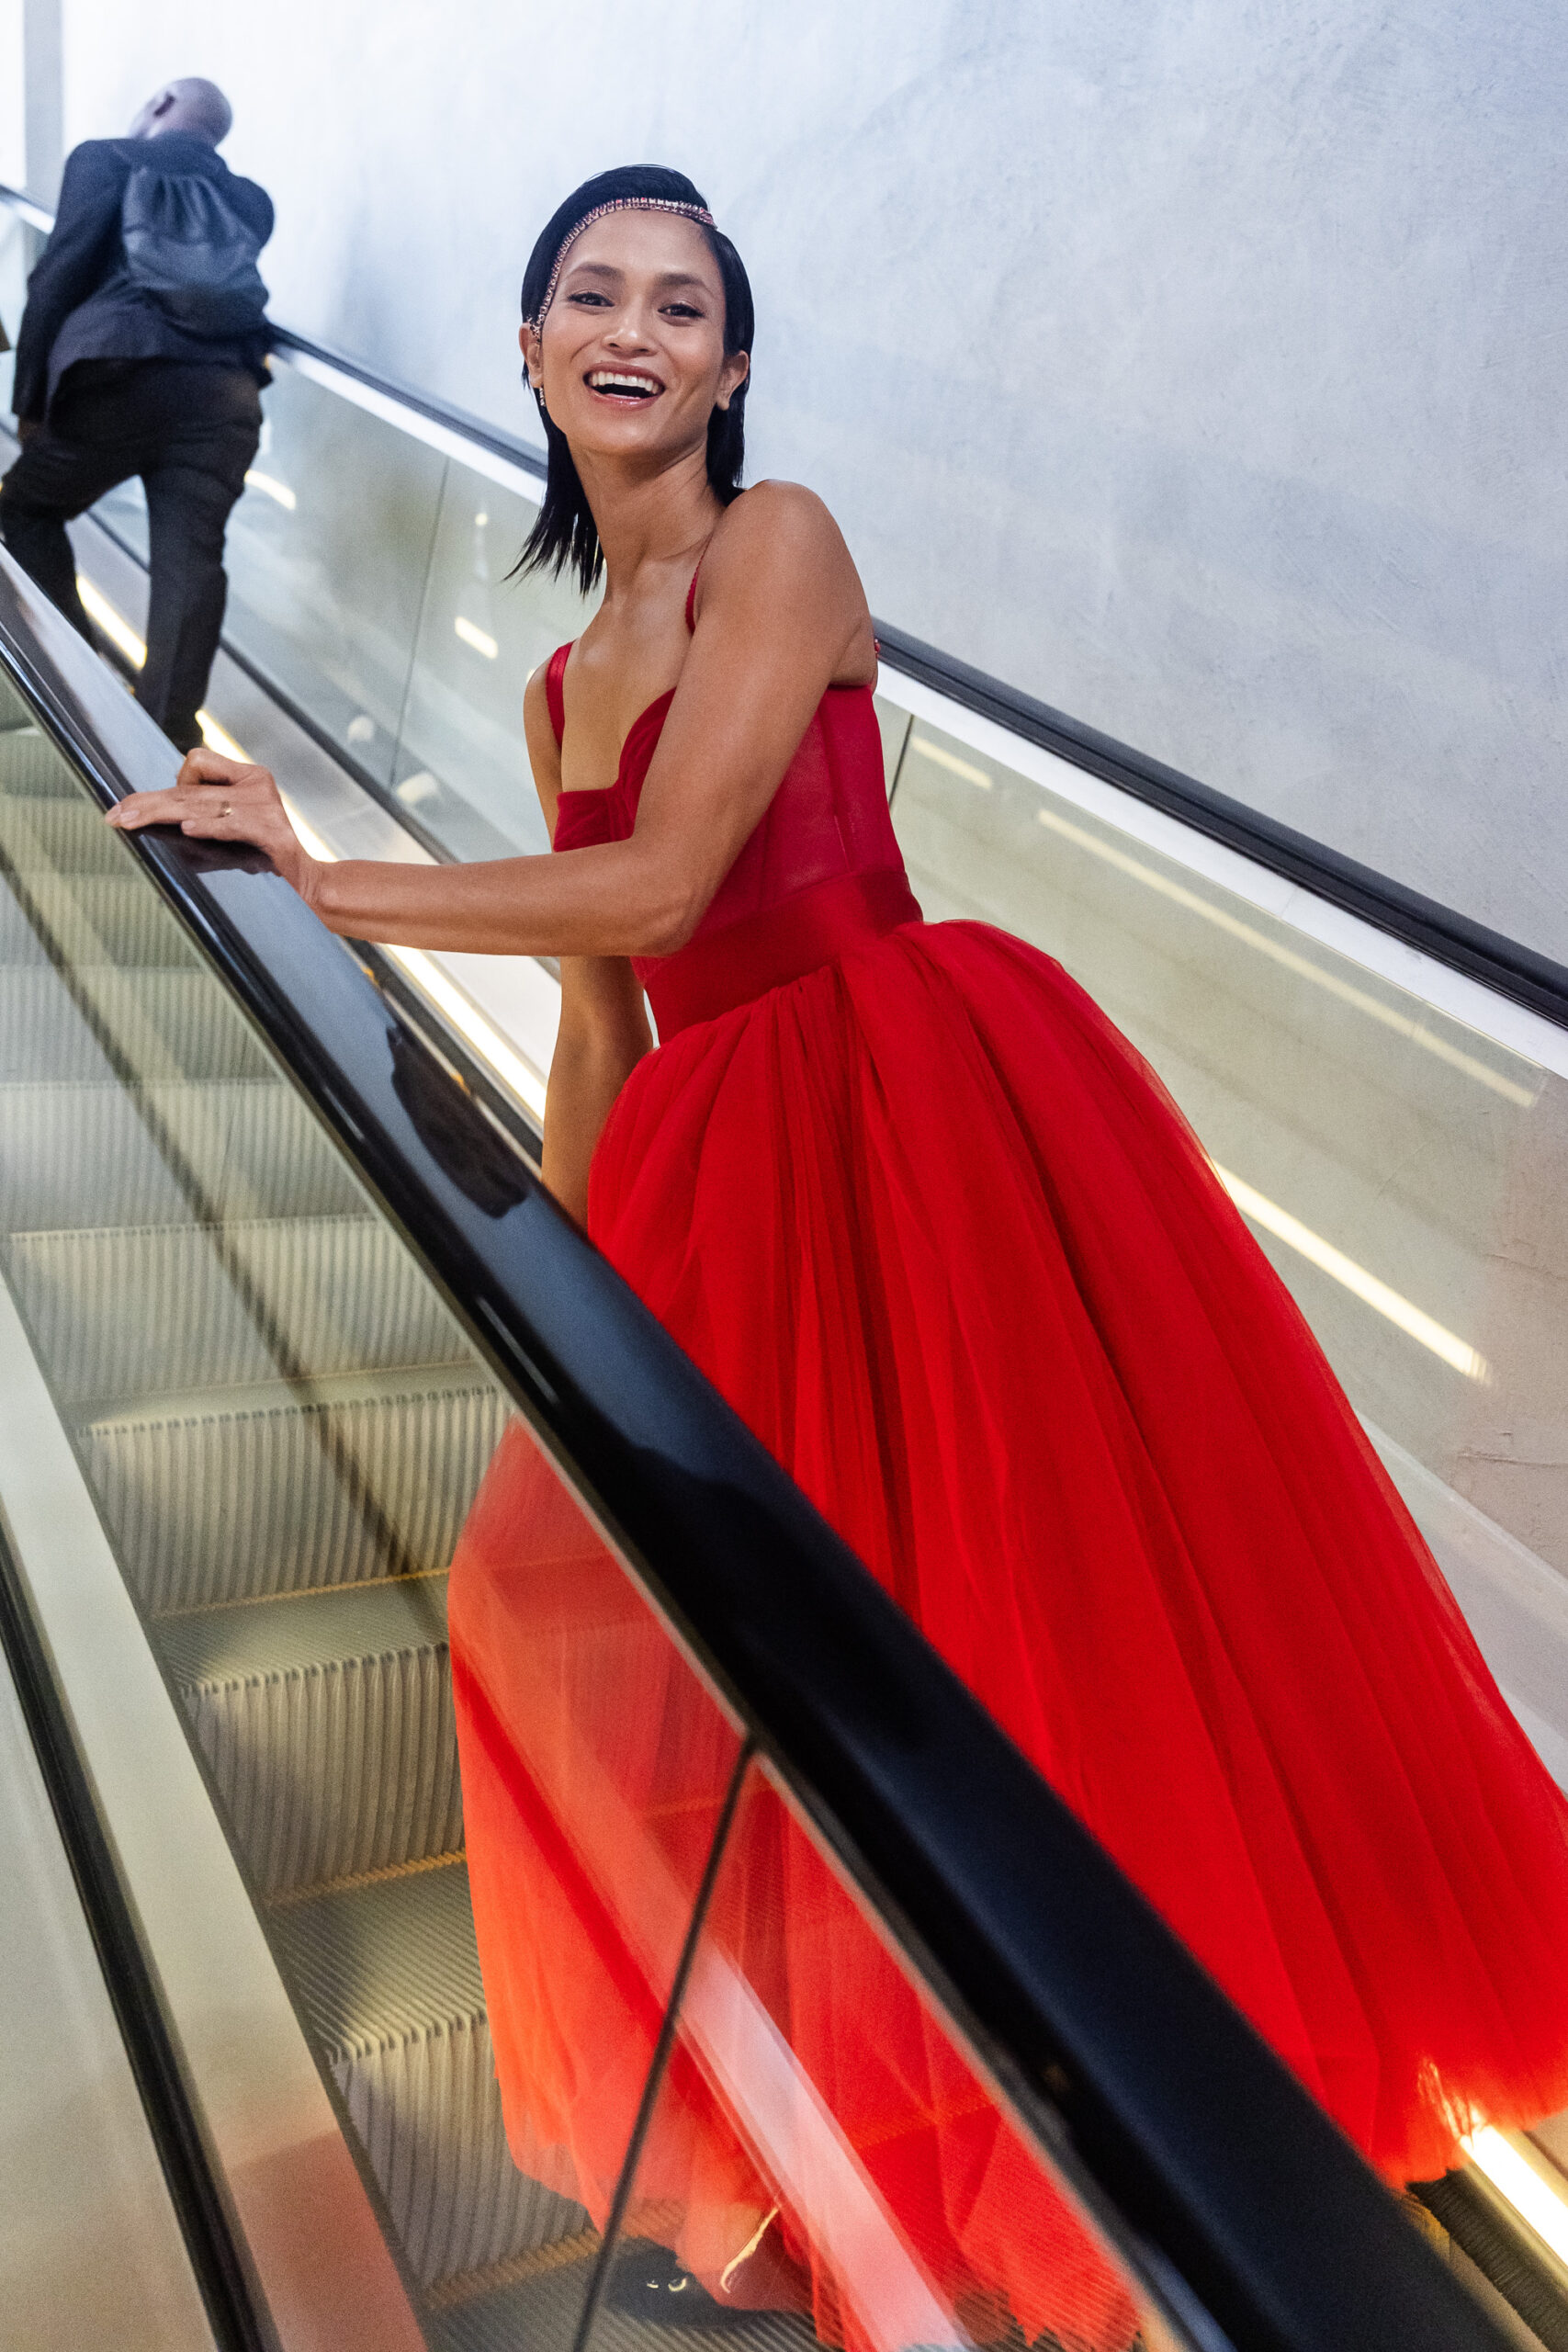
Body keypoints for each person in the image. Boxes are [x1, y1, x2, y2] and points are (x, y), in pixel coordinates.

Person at [107, 165, 1568, 2346]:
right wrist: (567, 1305)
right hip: (720, 1171)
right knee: (576, 1616)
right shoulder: (560, 681)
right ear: (528, 349)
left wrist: (326, 881)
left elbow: (669, 883)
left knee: (1009, 1639)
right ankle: (805, 2184)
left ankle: (1102, 2191)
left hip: (915, 1120)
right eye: (590, 293)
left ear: (730, 366)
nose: (633, 329)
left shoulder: (775, 547)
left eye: (679, 304)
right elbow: (602, 1017)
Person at [1, 78, 271, 752]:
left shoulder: (105, 158)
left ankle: (78, 682)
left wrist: (28, 402)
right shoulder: (250, 200)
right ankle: (160, 741)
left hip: (117, 379)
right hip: (226, 397)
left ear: (160, 102)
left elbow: (57, 278)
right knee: (191, 566)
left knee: (21, 510)